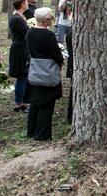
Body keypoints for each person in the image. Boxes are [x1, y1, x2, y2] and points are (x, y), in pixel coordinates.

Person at [25, 7, 64, 141]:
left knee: (35, 102)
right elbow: (56, 54)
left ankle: (31, 130)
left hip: (35, 70)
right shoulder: (49, 35)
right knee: (47, 103)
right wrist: (60, 62)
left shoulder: (30, 32)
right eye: (50, 18)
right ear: (46, 20)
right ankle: (42, 134)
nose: (51, 20)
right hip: (48, 71)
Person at [8, 0, 30, 112]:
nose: (27, 3)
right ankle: (18, 104)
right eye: (26, 1)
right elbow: (26, 33)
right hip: (19, 49)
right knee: (22, 76)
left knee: (24, 76)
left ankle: (22, 102)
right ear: (22, 4)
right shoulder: (16, 18)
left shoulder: (20, 16)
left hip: (22, 47)